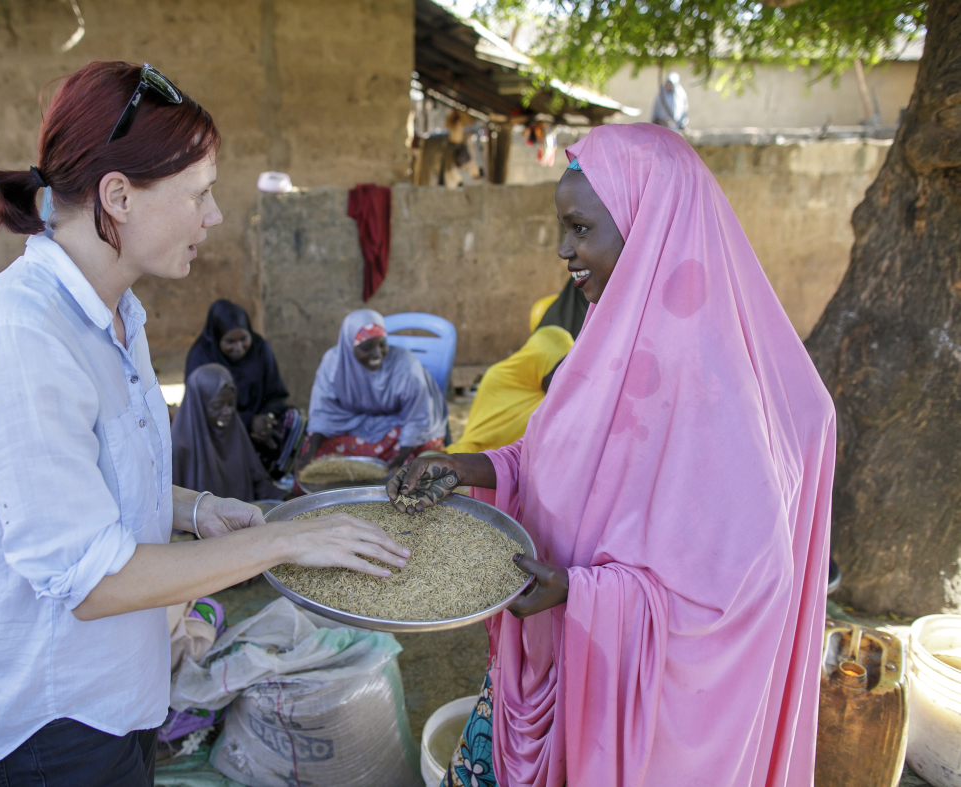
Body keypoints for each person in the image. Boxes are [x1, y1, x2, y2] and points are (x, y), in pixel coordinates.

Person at [0, 61, 409, 787]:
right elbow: (92, 581)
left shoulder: (116, 314)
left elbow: (102, 477)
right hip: (59, 723)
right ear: (119, 196)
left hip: (126, 689)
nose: (213, 215)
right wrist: (284, 539)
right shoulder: (20, 341)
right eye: (199, 192)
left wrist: (198, 508)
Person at [390, 123, 833, 786]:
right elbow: (559, 460)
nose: (564, 250)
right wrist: (466, 466)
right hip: (558, 657)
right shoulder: (606, 343)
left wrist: (582, 593)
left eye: (580, 229)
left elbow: (744, 585)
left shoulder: (718, 389)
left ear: (648, 228)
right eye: (562, 229)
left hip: (628, 704)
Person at [300, 308, 447, 474]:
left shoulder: (405, 365)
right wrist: (311, 453)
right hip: (353, 423)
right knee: (315, 449)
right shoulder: (333, 364)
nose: (377, 354)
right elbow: (323, 413)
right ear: (349, 346)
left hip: (398, 423)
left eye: (382, 344)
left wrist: (400, 458)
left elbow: (418, 417)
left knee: (420, 453)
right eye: (367, 347)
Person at [184, 299, 299, 477]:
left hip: (260, 425)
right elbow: (201, 409)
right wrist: (248, 422)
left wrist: (265, 418)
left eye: (244, 339)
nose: (238, 348)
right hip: (222, 425)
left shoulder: (259, 348)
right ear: (216, 338)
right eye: (229, 341)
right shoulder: (201, 357)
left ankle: (273, 473)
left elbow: (276, 394)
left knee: (294, 419)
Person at [445, 326, 573, 455]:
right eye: (555, 368)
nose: (562, 376)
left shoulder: (562, 398)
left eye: (568, 368)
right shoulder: (498, 378)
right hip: (487, 457)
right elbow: (478, 441)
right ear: (537, 361)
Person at [171, 363, 285, 503]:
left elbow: (257, 480)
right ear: (199, 406)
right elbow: (172, 503)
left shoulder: (234, 431)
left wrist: (286, 498)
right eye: (217, 406)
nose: (228, 412)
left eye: (231, 403)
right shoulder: (180, 449)